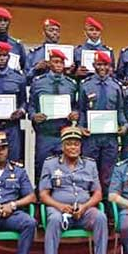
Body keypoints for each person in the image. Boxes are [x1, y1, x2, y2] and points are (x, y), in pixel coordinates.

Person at [38, 127, 110, 254]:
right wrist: (60, 206)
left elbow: (98, 193)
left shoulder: (90, 164)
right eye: (69, 144)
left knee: (100, 218)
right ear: (62, 146)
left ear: (80, 146)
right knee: (54, 220)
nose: (73, 148)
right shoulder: (50, 164)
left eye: (76, 144)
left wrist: (85, 207)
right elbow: (43, 194)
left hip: (84, 210)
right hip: (59, 209)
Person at [77, 51, 126, 195]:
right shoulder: (85, 85)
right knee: (89, 173)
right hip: (91, 137)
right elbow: (81, 110)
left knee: (108, 175)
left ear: (110, 66)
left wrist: (123, 126)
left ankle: (108, 209)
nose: (102, 68)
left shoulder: (116, 86)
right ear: (94, 65)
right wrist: (80, 127)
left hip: (110, 138)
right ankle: (89, 204)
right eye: (99, 64)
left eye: (105, 64)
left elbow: (120, 111)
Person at [28, 49, 79, 180]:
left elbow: (76, 106)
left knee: (65, 170)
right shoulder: (38, 82)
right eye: (55, 62)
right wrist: (34, 116)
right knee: (42, 168)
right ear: (49, 63)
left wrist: (75, 113)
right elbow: (31, 105)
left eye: (61, 63)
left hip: (63, 134)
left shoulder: (71, 84)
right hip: (45, 134)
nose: (58, 65)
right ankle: (40, 198)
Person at [72, 16, 114, 83]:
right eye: (91, 30)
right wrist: (76, 74)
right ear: (85, 32)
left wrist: (111, 72)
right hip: (83, 83)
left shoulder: (107, 51)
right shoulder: (77, 50)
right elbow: (71, 73)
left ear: (100, 32)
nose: (94, 32)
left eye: (97, 30)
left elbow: (113, 72)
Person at [25, 18, 64, 85]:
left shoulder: (66, 52)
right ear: (44, 33)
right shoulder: (34, 53)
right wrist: (36, 69)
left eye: (57, 31)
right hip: (40, 87)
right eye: (51, 30)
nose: (54, 33)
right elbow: (25, 77)